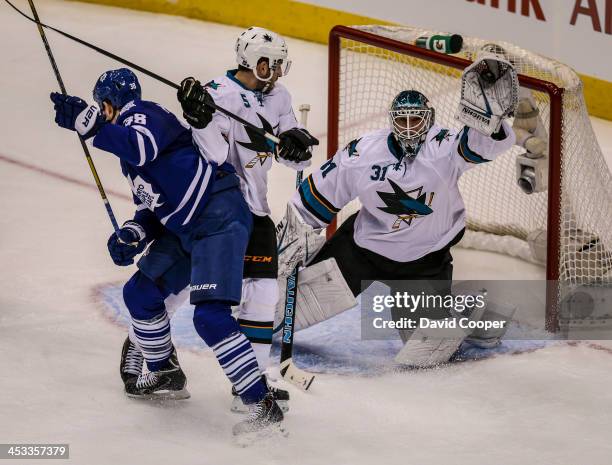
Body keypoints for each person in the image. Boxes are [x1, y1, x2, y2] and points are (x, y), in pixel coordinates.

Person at [50, 68, 283, 435]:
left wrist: (88, 123)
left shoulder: (142, 114)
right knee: (139, 294)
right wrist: (133, 232)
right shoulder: (129, 147)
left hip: (218, 217)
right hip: (186, 228)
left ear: (107, 106)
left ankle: (261, 405)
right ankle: (164, 373)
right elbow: (156, 207)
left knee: (210, 316)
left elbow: (138, 144)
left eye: (101, 108)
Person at [275, 56, 518, 367]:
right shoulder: (362, 153)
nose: (407, 128)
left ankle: (472, 312)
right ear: (391, 121)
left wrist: (490, 122)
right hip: (361, 251)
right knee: (278, 317)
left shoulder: (443, 148)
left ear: (428, 120)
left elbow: (481, 147)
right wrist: (288, 249)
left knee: (425, 353)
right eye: (401, 120)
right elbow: (313, 201)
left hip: (424, 262)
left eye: (415, 120)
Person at [167, 26, 319, 413]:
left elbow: (288, 155)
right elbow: (216, 156)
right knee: (186, 290)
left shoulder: (280, 96)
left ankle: (248, 382)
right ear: (252, 60)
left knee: (262, 295)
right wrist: (200, 121)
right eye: (273, 63)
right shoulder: (217, 96)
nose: (279, 72)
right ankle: (146, 344)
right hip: (219, 208)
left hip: (256, 208)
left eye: (282, 64)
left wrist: (297, 146)